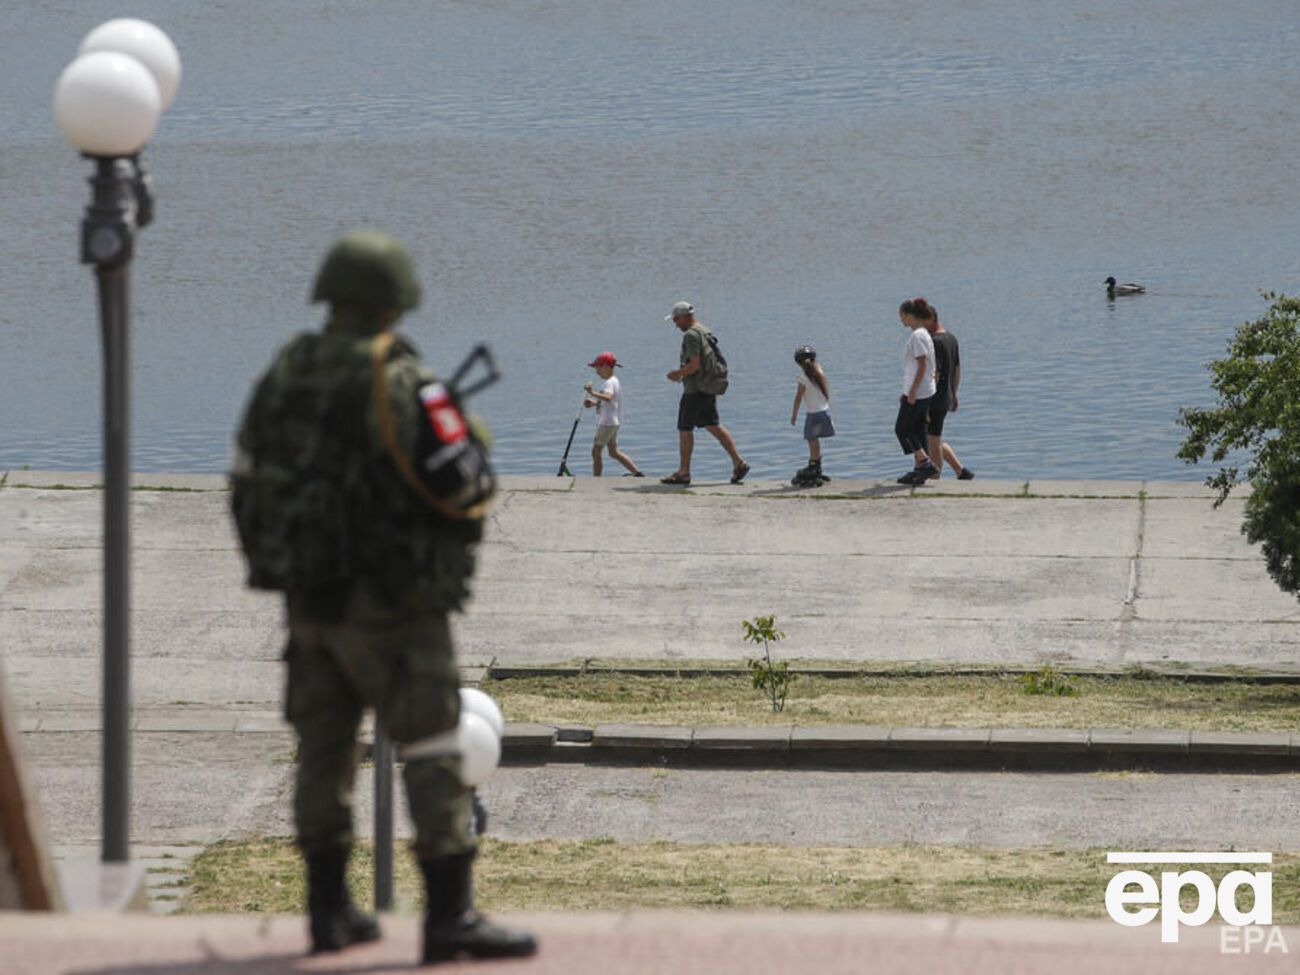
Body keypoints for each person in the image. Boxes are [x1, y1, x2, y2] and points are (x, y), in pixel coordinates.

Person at [230, 231, 536, 964]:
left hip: (309, 596)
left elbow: (248, 471)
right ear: (396, 299)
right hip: (394, 603)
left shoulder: (286, 370)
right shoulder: (400, 380)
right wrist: (475, 430)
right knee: (432, 741)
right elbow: (464, 479)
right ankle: (449, 917)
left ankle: (329, 913)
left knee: (322, 749)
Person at [661, 300, 750, 486]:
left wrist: (677, 374)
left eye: (676, 320)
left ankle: (684, 472)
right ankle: (738, 462)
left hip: (695, 389)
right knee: (712, 425)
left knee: (685, 428)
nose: (676, 324)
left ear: (686, 317)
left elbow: (695, 365)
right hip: (707, 387)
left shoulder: (691, 335)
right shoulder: (704, 330)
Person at [920, 302, 974, 480]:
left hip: (934, 397)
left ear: (930, 320)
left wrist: (926, 401)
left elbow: (936, 373)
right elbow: (957, 369)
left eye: (922, 323)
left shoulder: (934, 341)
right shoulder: (951, 338)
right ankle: (960, 471)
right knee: (933, 437)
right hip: (946, 395)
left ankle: (935, 479)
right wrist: (954, 393)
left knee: (932, 441)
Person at [895, 298, 938, 485]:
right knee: (919, 430)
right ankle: (919, 470)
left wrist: (911, 392)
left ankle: (924, 462)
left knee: (903, 429)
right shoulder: (923, 334)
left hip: (919, 391)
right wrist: (906, 391)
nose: (901, 320)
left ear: (909, 315)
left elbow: (922, 365)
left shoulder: (917, 336)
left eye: (902, 316)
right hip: (923, 389)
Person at [583, 351, 643, 477]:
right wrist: (594, 403)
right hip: (613, 422)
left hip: (607, 423)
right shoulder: (613, 381)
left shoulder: (609, 382)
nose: (596, 371)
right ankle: (637, 473)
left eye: (597, 367)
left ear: (605, 366)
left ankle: (597, 479)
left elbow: (608, 397)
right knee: (613, 452)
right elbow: (609, 403)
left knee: (596, 451)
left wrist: (592, 392)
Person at [790, 345, 834, 486]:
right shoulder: (819, 371)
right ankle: (817, 465)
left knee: (811, 440)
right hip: (824, 412)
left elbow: (798, 398)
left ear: (798, 363)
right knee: (815, 440)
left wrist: (794, 415)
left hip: (813, 415)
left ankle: (813, 466)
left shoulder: (803, 378)